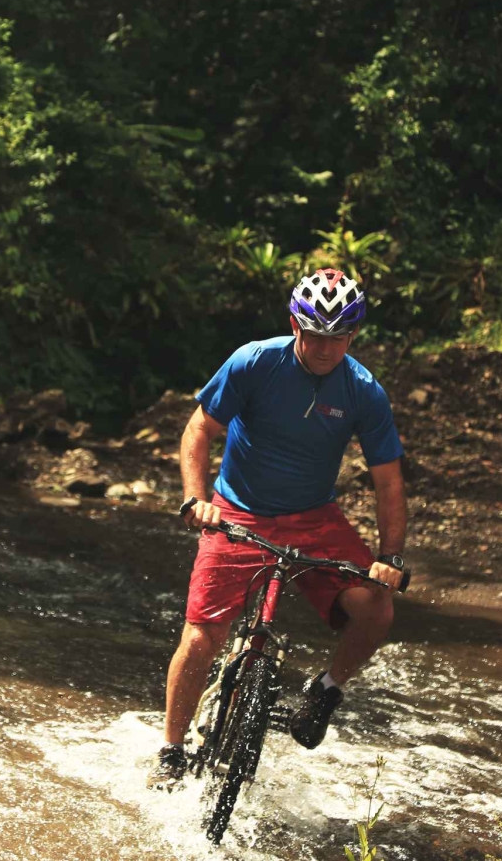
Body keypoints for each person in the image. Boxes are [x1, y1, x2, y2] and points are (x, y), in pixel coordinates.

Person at [148, 268, 409, 788]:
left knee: (377, 608)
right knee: (203, 636)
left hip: (315, 518)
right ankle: (171, 752)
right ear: (295, 324)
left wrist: (392, 557)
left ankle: (327, 690)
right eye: (315, 335)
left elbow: (389, 483)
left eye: (339, 338)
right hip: (239, 511)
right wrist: (197, 499)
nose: (326, 348)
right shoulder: (255, 361)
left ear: (353, 336)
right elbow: (199, 428)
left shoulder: (363, 390)